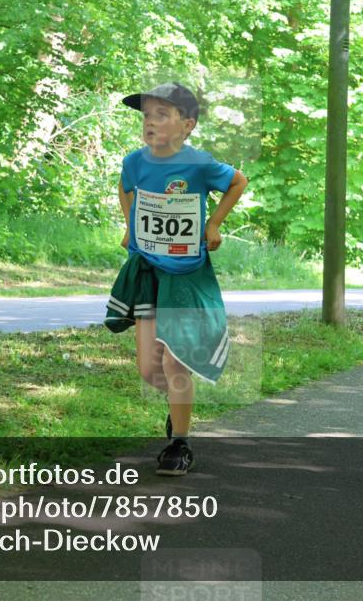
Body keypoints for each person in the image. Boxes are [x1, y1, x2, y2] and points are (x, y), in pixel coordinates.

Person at [103, 81, 248, 476]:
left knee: (174, 358)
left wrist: (214, 224)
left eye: (161, 115)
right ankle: (176, 409)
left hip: (185, 273)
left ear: (188, 125)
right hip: (149, 269)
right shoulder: (135, 161)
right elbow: (125, 185)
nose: (151, 122)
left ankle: (179, 444)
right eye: (147, 115)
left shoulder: (200, 164)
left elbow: (238, 181)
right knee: (150, 370)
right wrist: (131, 225)